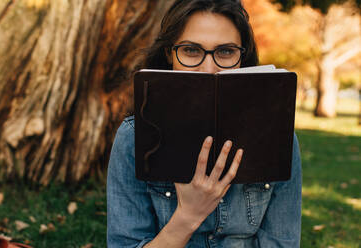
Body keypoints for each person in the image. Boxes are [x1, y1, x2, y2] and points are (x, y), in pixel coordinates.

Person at [106, 0, 302, 247]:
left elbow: (282, 242)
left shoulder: (278, 137)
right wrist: (188, 215)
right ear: (169, 53)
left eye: (226, 51)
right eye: (191, 50)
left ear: (243, 57)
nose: (208, 68)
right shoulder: (132, 138)